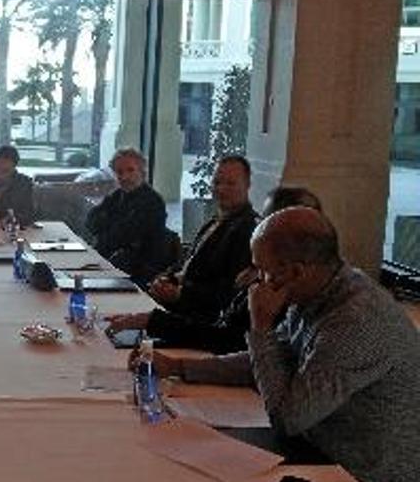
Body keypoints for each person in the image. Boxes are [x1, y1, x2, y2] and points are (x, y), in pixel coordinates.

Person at [145, 208, 420, 482]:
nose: (256, 281)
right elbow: (274, 358)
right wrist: (179, 367)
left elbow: (288, 419)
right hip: (317, 450)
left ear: (297, 271)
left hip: (360, 471)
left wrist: (261, 325)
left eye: (263, 271)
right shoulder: (316, 291)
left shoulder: (356, 320)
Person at [105, 156, 259, 351]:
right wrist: (165, 278)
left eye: (230, 183)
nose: (221, 189)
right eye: (217, 182)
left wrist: (179, 294)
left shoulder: (247, 231)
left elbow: (228, 295)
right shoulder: (216, 221)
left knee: (118, 346)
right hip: (177, 312)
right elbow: (188, 266)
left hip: (200, 328)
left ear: (247, 185)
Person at [85, 148, 168, 286]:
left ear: (142, 172)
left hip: (137, 270)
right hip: (111, 263)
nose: (124, 177)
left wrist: (105, 223)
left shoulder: (152, 201)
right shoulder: (117, 195)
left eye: (130, 170)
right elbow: (90, 221)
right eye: (119, 172)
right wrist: (108, 225)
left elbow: (119, 237)